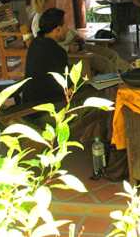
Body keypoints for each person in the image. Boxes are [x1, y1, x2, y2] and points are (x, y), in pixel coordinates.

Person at [23, 8, 109, 142]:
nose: (67, 30)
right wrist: (88, 85)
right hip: (49, 113)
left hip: (30, 109)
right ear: (57, 29)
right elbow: (66, 91)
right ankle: (100, 140)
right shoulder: (57, 52)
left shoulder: (35, 44)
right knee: (101, 96)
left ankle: (88, 135)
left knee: (91, 88)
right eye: (65, 26)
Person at [31, 0, 130, 74]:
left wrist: (77, 36)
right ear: (44, 2)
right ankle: (115, 85)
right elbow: (45, 47)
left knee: (112, 55)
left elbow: (68, 28)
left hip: (78, 45)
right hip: (71, 53)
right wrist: (67, 48)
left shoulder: (54, 15)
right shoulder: (39, 21)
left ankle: (120, 76)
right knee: (106, 64)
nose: (56, 0)